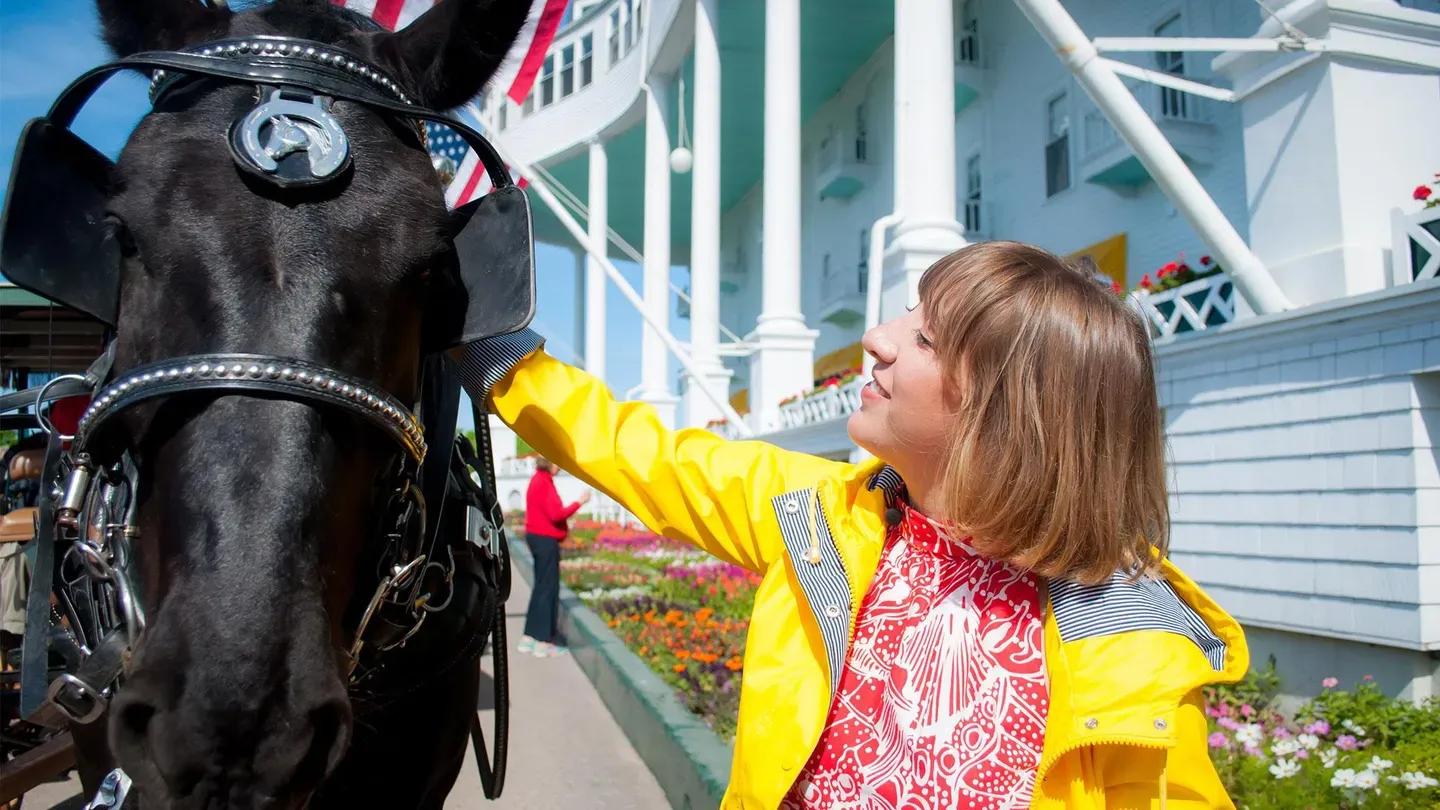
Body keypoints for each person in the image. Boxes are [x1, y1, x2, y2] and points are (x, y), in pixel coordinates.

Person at [452, 241, 1246, 809]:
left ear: (1011, 416)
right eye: (906, 315)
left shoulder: (1134, 647)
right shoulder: (821, 516)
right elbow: (646, 456)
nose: (877, 341)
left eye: (925, 337)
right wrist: (496, 346)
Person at [519, 457, 590, 657]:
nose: (559, 465)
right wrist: (580, 502)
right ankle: (543, 640)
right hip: (545, 539)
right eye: (557, 461)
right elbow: (556, 514)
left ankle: (530, 636)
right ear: (549, 462)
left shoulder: (538, 480)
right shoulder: (544, 482)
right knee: (548, 588)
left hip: (537, 537)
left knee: (541, 586)